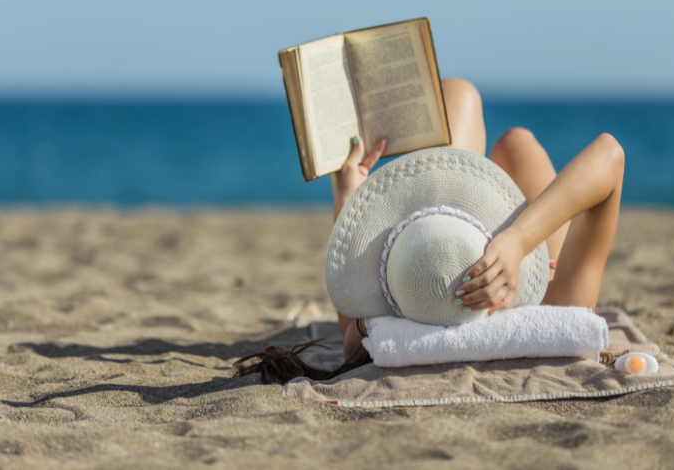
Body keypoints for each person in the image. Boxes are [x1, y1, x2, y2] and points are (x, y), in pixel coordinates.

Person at [236, 78, 624, 383]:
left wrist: (347, 190)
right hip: (508, 244)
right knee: (515, 140)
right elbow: (610, 153)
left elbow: (349, 287)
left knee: (459, 94)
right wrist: (517, 240)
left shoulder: (380, 320)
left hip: (437, 234)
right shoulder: (554, 309)